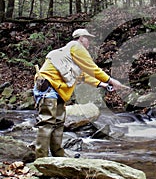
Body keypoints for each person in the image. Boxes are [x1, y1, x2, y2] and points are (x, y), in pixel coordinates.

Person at [33, 28, 125, 159]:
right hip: (48, 88)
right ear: (81, 38)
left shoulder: (68, 54)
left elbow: (82, 76)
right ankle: (41, 159)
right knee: (47, 123)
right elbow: (92, 68)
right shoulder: (76, 47)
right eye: (88, 39)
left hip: (56, 90)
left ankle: (58, 154)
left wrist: (103, 84)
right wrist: (111, 80)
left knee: (58, 122)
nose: (89, 43)